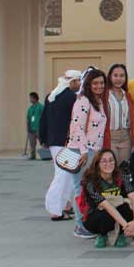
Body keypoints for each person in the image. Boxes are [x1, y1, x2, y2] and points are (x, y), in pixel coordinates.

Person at [57, 69, 109, 239]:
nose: (99, 86)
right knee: (81, 188)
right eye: (95, 83)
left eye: (102, 83)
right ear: (88, 84)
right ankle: (80, 226)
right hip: (82, 151)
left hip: (94, 151)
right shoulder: (83, 101)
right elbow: (77, 127)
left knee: (89, 188)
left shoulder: (98, 101)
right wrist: (84, 151)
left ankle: (87, 223)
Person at [41, 69, 81, 221]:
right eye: (78, 81)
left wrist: (44, 139)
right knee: (63, 175)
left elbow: (44, 119)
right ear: (73, 82)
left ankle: (64, 205)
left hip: (54, 142)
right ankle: (55, 210)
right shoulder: (72, 97)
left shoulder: (51, 96)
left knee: (67, 175)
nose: (80, 84)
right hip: (66, 142)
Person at [80, 149, 134, 248]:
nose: (108, 164)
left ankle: (121, 234)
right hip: (97, 213)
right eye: (104, 161)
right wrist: (127, 226)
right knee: (104, 214)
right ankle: (102, 234)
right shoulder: (90, 180)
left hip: (118, 208)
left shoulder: (121, 174)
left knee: (129, 206)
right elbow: (106, 206)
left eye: (111, 160)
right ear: (97, 164)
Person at [103, 64, 134, 164]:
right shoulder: (104, 94)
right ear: (110, 77)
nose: (118, 79)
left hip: (126, 138)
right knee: (111, 166)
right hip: (110, 137)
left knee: (123, 167)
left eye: (122, 76)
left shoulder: (127, 95)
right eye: (115, 75)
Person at [26, 92, 43, 160]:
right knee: (32, 143)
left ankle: (48, 154)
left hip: (39, 128)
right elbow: (28, 118)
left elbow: (44, 117)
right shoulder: (30, 108)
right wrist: (28, 127)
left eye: (31, 98)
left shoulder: (40, 107)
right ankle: (33, 155)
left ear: (35, 98)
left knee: (42, 142)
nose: (30, 99)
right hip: (31, 129)